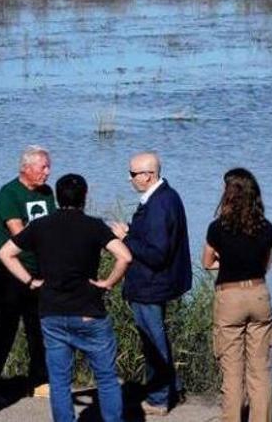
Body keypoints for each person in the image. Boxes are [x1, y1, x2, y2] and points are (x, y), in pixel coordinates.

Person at [0, 174, 133, 422]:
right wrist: (108, 283)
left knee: (59, 380)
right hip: (88, 310)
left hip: (52, 311)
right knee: (106, 377)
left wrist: (30, 281)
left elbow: (5, 253)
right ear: (85, 196)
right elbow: (125, 256)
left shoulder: (40, 226)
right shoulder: (94, 225)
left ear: (57, 198)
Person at [109, 151, 191, 416]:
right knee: (156, 337)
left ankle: (158, 398)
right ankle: (169, 388)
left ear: (148, 175)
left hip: (150, 285)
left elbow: (156, 253)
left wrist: (126, 237)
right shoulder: (165, 197)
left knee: (153, 340)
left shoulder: (159, 204)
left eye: (133, 174)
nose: (130, 179)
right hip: (157, 283)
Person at [0, 145, 55, 399]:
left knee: (40, 328)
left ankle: (40, 380)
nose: (47, 172)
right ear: (27, 168)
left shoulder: (47, 193)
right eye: (43, 167)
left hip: (40, 270)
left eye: (48, 166)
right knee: (4, 329)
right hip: (9, 271)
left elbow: (53, 224)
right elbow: (18, 232)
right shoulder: (9, 194)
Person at [202, 168, 272, 422]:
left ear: (229, 194)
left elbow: (206, 262)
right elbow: (266, 265)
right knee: (260, 367)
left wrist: (226, 261)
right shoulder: (267, 228)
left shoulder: (217, 228)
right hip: (258, 294)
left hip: (230, 296)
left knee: (232, 369)